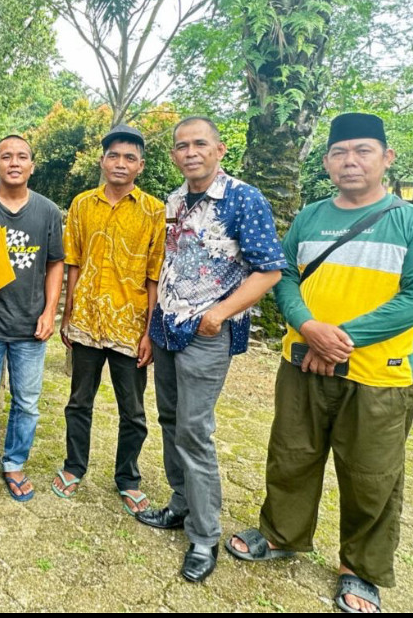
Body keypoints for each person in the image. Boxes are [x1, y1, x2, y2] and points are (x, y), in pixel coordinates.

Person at [225, 113, 413, 614]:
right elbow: (284, 274)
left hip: (378, 373)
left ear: (386, 158)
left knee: (372, 474)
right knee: (291, 454)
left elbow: (412, 296)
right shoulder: (310, 217)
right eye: (340, 152)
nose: (350, 161)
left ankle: (361, 568)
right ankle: (282, 533)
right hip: (302, 361)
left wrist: (341, 340)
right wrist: (308, 327)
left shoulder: (407, 220)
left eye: (363, 151)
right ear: (327, 161)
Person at [137, 116, 286, 584]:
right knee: (169, 420)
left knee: (194, 431)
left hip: (206, 333)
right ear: (174, 155)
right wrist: (154, 321)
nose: (190, 152)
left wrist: (219, 314)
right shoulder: (175, 200)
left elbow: (269, 270)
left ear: (219, 149)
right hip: (168, 327)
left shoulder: (243, 198)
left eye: (200, 143)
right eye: (182, 146)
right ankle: (180, 505)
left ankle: (204, 537)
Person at [54, 125, 165, 516]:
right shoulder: (82, 204)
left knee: (132, 410)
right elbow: (73, 262)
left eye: (129, 158)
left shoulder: (154, 210)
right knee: (78, 402)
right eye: (114, 155)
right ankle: (74, 467)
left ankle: (128, 478)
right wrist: (68, 314)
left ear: (140, 166)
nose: (121, 163)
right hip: (86, 320)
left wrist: (150, 332)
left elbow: (154, 275)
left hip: (129, 326)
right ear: (102, 161)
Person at [0, 134, 63, 502]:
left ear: (32, 166)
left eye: (22, 157)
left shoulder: (47, 211)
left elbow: (56, 263)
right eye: (6, 157)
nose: (14, 163)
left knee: (27, 403)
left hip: (30, 326)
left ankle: (15, 463)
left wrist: (50, 312)